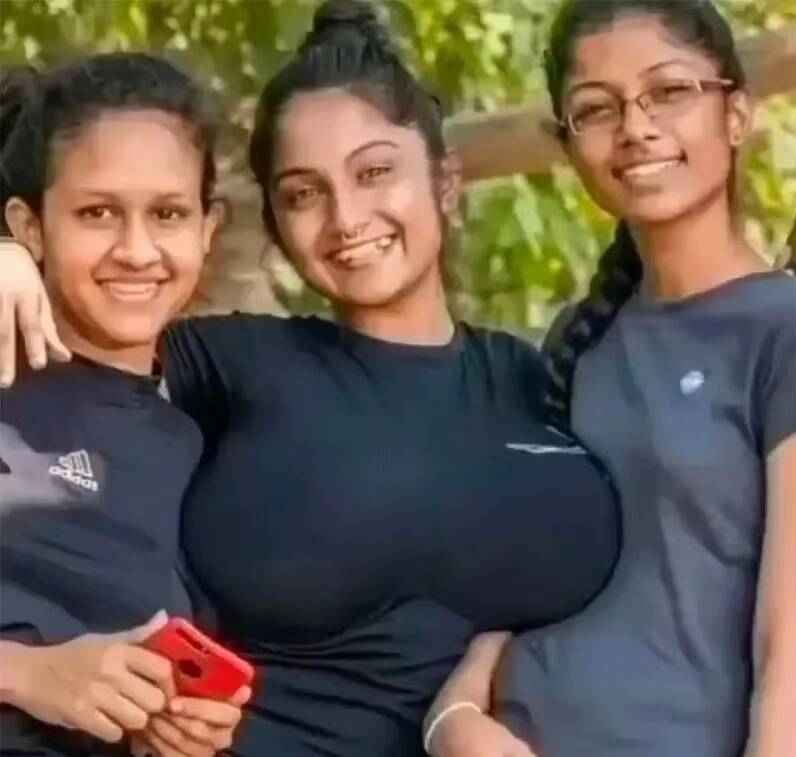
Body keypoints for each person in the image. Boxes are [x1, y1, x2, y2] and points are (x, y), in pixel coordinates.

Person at [0, 2, 621, 755]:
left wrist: (466, 697)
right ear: (274, 222)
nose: (346, 216)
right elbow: (92, 322)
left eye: (375, 172)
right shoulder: (232, 363)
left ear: (445, 180)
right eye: (302, 193)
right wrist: (8, 255)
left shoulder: (540, 379)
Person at [426, 2, 796, 756]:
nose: (636, 127)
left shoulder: (783, 329)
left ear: (736, 114)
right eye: (597, 109)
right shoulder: (582, 337)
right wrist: (455, 714)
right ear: (567, 144)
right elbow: (526, 568)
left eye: (669, 91)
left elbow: (789, 650)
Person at [0, 53, 250, 756]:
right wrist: (26, 673)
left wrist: (165, 723)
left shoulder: (188, 443)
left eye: (167, 214)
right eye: (97, 213)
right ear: (30, 226)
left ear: (207, 228)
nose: (137, 250)